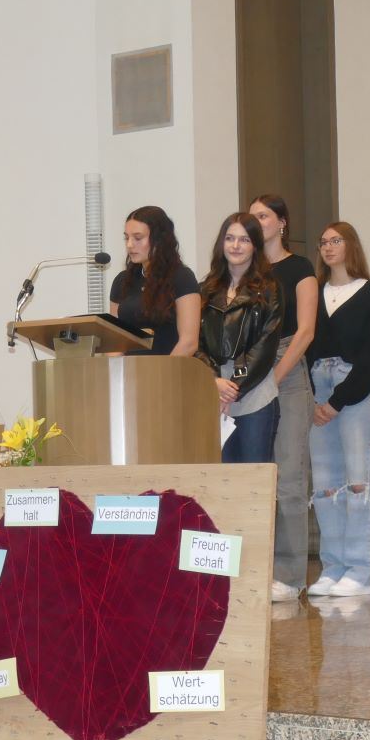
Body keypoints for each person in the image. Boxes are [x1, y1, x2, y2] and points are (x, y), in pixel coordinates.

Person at [306, 221, 370, 598]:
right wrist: (315, 399)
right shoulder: (314, 293)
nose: (328, 247)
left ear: (351, 245)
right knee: (325, 486)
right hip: (316, 390)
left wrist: (337, 401)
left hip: (352, 392)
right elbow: (305, 347)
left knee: (357, 483)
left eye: (335, 241)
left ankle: (358, 571)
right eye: (323, 242)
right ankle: (333, 567)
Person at [249, 194, 317, 603]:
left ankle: (290, 576)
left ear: (282, 223)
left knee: (289, 478)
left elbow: (306, 331)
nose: (257, 223)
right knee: (253, 475)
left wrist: (274, 378)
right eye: (252, 217)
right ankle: (256, 569)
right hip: (251, 367)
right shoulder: (248, 270)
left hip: (287, 370)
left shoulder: (300, 268)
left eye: (264, 216)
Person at [196, 213, 282, 465]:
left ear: (255, 245)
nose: (235, 246)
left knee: (254, 480)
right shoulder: (205, 289)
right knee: (220, 478)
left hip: (254, 393)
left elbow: (265, 346)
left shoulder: (270, 289)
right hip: (213, 390)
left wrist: (233, 389)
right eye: (230, 238)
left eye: (244, 240)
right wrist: (214, 381)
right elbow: (196, 343)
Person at [110, 206, 200, 357]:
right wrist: (115, 369)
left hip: (168, 368)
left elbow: (189, 342)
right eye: (127, 238)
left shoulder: (182, 278)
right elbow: (115, 341)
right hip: (129, 369)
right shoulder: (122, 281)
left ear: (159, 240)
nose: (129, 245)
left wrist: (162, 371)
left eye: (138, 238)